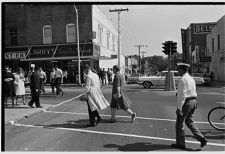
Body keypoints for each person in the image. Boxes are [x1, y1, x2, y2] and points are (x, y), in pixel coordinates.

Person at [171, 62, 207, 150]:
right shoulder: (191, 78)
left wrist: (179, 108)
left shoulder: (183, 80)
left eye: (178, 69)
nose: (177, 71)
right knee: (189, 121)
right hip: (193, 101)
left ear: (183, 70)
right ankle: (202, 139)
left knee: (179, 124)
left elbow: (182, 95)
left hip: (186, 103)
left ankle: (181, 144)